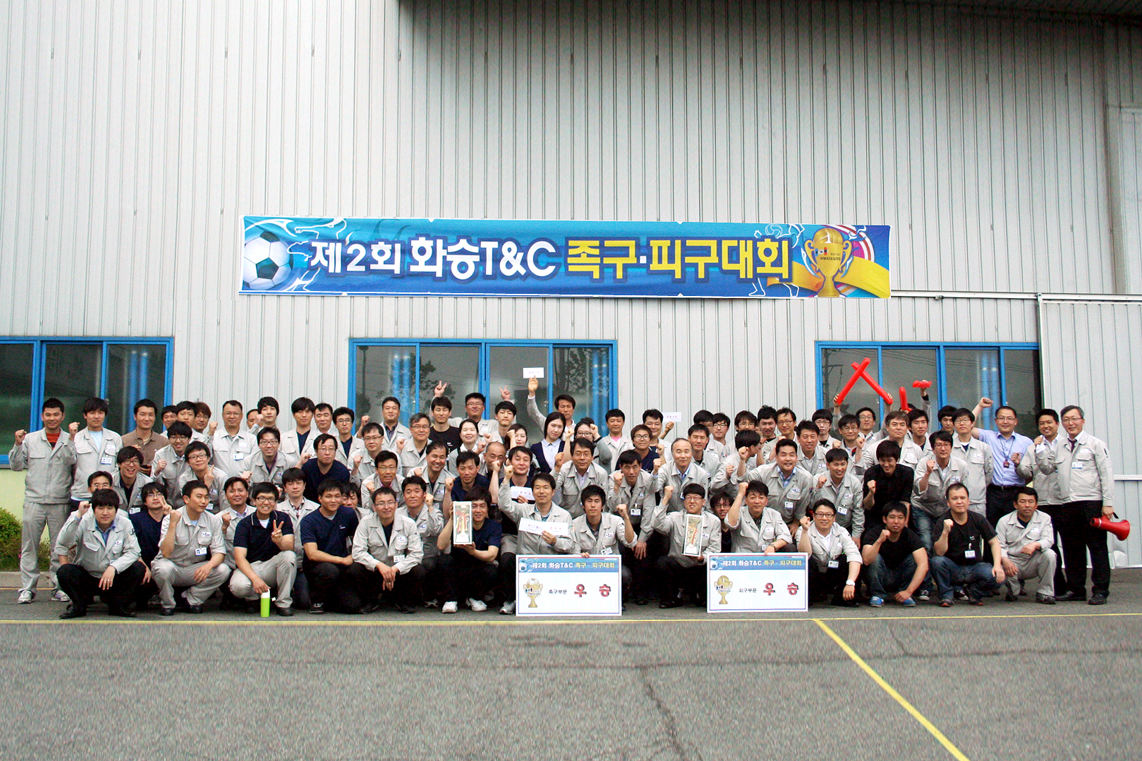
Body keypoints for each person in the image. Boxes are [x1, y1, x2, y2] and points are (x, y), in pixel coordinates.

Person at [1038, 405, 1115, 604]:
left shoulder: (1095, 444)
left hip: (1091, 502)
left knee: (1097, 548)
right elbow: (1046, 468)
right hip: (1067, 504)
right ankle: (1076, 589)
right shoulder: (1060, 446)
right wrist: (1039, 449)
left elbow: (1106, 474)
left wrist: (1108, 503)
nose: (1070, 423)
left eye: (1074, 419)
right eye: (1066, 420)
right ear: (1062, 423)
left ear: (1082, 421)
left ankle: (1100, 590)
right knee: (1072, 548)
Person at [10, 397, 76, 604]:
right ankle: (27, 588)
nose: (52, 418)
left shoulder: (70, 439)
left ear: (62, 416)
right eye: (48, 415)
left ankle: (59, 587)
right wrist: (17, 444)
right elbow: (16, 466)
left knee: (59, 548)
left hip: (60, 501)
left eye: (56, 414)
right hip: (34, 501)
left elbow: (73, 462)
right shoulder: (30, 439)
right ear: (42, 416)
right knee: (29, 547)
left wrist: (71, 439)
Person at [53, 489, 144, 618]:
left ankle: (118, 606)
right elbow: (64, 542)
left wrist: (113, 568)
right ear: (93, 509)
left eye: (110, 508)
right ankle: (78, 607)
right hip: (89, 577)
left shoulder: (125, 523)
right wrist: (78, 515)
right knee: (64, 571)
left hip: (113, 578)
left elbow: (134, 552)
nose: (105, 513)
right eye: (100, 508)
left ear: (116, 510)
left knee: (138, 568)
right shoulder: (82, 520)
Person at [496, 471, 575, 614]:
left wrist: (555, 541)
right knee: (507, 559)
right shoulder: (523, 510)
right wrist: (506, 479)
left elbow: (570, 545)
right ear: (532, 492)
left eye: (545, 488)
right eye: (537, 488)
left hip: (550, 565)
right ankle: (511, 600)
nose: (541, 491)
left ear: (553, 492)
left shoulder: (564, 515)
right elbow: (504, 504)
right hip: (526, 564)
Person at [151, 481, 231, 615]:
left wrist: (208, 566)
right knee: (163, 569)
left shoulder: (213, 520)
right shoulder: (172, 518)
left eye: (206, 497)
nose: (203, 501)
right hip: (172, 565)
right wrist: (173, 524)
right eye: (199, 497)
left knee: (223, 570)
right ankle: (168, 604)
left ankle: (190, 600)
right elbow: (166, 553)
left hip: (193, 568)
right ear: (186, 499)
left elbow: (219, 552)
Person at [352, 486, 425, 613]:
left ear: (396, 505)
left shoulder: (408, 523)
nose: (386, 507)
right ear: (374, 507)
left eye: (390, 502)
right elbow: (358, 552)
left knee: (418, 570)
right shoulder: (365, 523)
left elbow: (416, 554)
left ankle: (403, 601)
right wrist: (379, 565)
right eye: (381, 503)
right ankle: (371, 600)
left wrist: (395, 569)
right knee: (355, 569)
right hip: (375, 571)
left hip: (399, 572)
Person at [1016, 409, 1066, 593]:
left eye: (1049, 422)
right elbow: (1025, 472)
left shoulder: (1065, 444)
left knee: (1070, 544)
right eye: (1042, 423)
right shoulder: (1033, 446)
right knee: (1049, 545)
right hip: (1043, 502)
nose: (1046, 426)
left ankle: (1075, 586)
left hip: (1064, 501)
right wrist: (1017, 464)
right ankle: (1057, 585)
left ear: (1057, 424)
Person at [931, 483, 1004, 607]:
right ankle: (946, 595)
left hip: (974, 567)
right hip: (953, 567)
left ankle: (974, 592)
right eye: (955, 499)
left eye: (963, 498)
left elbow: (994, 542)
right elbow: (939, 552)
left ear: (968, 501)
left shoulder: (978, 519)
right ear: (948, 503)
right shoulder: (942, 521)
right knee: (936, 562)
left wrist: (997, 565)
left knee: (997, 577)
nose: (959, 502)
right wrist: (945, 532)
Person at [229, 482, 297, 616]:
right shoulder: (244, 524)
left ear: (276, 502)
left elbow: (290, 546)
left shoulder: (282, 518)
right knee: (238, 586)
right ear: (253, 501)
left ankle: (283, 603)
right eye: (261, 498)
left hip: (273, 567)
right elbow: (239, 557)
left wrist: (280, 541)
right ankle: (253, 599)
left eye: (270, 499)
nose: (266, 503)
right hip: (252, 567)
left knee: (289, 556)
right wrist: (255, 579)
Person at [648, 483, 721, 608]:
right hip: (679, 565)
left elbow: (715, 549)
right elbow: (657, 524)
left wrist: (702, 557)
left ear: (703, 502)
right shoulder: (674, 517)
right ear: (683, 501)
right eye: (688, 498)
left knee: (711, 564)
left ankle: (701, 596)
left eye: (696, 498)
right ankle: (671, 598)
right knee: (662, 562)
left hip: (699, 567)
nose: (692, 501)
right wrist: (665, 499)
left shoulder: (714, 521)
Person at [299, 479, 361, 614]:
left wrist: (352, 556)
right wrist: (342, 560)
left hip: (341, 567)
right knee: (329, 570)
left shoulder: (348, 514)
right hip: (317, 567)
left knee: (353, 606)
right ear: (320, 498)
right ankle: (317, 600)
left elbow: (358, 540)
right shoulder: (309, 521)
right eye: (328, 496)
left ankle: (332, 598)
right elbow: (312, 554)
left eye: (337, 496)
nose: (333, 500)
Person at [437, 486, 501, 614]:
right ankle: (451, 600)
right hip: (457, 569)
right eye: (474, 506)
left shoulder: (493, 526)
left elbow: (492, 555)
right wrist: (452, 518)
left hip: (477, 570)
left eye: (482, 506)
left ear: (488, 508)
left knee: (492, 569)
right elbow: (441, 545)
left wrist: (473, 552)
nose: (478, 510)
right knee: (444, 560)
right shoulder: (460, 521)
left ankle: (475, 598)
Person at [970, 398, 1033, 526]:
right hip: (994, 492)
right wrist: (980, 406)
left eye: (1009, 418)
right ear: (996, 421)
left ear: (1015, 421)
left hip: (1016, 492)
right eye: (1001, 418)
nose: (1005, 422)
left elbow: (1031, 471)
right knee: (992, 528)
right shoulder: (988, 437)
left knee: (1015, 528)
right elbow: (968, 427)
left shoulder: (1026, 442)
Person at [995, 487, 1057, 604]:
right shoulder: (1004, 521)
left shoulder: (1045, 518)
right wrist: (1005, 560)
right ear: (1015, 504)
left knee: (1050, 554)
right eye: (1023, 502)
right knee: (1000, 562)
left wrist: (1035, 544)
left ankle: (1045, 593)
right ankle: (1013, 591)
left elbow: (1048, 540)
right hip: (1013, 561)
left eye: (1031, 502)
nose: (1027, 505)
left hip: (1033, 561)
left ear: (1036, 505)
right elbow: (999, 545)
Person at [571, 485, 636, 596]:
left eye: (597, 501)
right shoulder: (575, 524)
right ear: (583, 505)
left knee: (624, 575)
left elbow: (630, 542)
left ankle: (619, 601)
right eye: (589, 501)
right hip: (586, 566)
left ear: (602, 505)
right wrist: (580, 555)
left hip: (609, 566)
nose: (593, 505)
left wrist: (626, 517)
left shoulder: (615, 520)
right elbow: (573, 551)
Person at [861, 502, 928, 608]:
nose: (896, 521)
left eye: (900, 518)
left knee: (915, 559)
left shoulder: (910, 535)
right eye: (892, 517)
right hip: (880, 575)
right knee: (875, 558)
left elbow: (924, 565)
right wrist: (879, 541)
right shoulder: (873, 533)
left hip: (900, 576)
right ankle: (877, 595)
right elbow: (866, 560)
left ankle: (904, 594)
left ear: (905, 520)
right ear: (884, 519)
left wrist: (909, 591)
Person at [796, 499, 861, 607]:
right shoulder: (803, 529)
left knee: (847, 560)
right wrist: (805, 531)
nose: (824, 518)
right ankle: (810, 596)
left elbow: (854, 555)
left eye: (828, 515)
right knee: (807, 561)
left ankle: (842, 597)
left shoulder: (841, 531)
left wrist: (850, 582)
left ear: (834, 517)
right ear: (813, 516)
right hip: (814, 574)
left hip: (832, 572)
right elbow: (804, 554)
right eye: (820, 514)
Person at [68, 397, 123, 509]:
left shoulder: (115, 438)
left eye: (100, 413)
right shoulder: (76, 437)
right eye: (92, 413)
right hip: (82, 495)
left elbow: (119, 466)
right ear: (85, 415)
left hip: (107, 496)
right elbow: (68, 462)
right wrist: (71, 438)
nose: (96, 416)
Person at [129, 483, 170, 610]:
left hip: (168, 564)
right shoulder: (135, 519)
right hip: (144, 564)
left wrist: (171, 517)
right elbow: (130, 546)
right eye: (150, 495)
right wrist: (144, 566)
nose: (155, 498)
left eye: (159, 494)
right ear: (144, 501)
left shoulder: (174, 517)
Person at [812, 448, 864, 545]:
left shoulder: (854, 483)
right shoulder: (817, 479)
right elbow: (811, 506)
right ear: (828, 465)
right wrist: (818, 488)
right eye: (836, 464)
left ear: (847, 464)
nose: (840, 468)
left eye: (843, 464)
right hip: (821, 528)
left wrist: (856, 535)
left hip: (845, 527)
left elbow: (858, 511)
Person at [722, 481, 792, 554]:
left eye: (761, 498)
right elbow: (730, 524)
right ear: (746, 500)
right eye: (752, 498)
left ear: (766, 501)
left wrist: (773, 546)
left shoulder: (774, 514)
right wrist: (740, 494)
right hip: (743, 558)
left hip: (766, 557)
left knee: (790, 547)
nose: (757, 501)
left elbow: (786, 536)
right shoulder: (738, 512)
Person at [949, 408, 994, 515]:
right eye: (958, 421)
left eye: (965, 420)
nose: (962, 423)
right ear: (953, 425)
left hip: (977, 501)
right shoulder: (949, 447)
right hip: (954, 501)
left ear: (972, 423)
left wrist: (979, 487)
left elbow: (988, 473)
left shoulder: (983, 447)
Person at [861, 441, 915, 531]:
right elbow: (867, 506)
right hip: (875, 517)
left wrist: (904, 525)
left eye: (890, 460)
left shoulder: (907, 473)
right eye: (882, 461)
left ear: (897, 459)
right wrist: (871, 493)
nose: (886, 465)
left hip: (897, 515)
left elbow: (905, 501)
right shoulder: (871, 473)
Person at [212, 400, 257, 479]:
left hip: (244, 484)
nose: (232, 416)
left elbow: (254, 465)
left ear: (241, 416)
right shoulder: (214, 437)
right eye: (228, 413)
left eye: (236, 413)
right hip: (219, 484)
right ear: (222, 415)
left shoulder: (251, 439)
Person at [121, 398, 167, 475]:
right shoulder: (124, 441)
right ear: (135, 416)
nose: (147, 419)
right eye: (143, 414)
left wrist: (155, 469)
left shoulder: (164, 442)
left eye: (150, 415)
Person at [152, 422, 194, 506]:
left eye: (182, 437)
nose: (178, 441)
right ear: (168, 438)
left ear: (189, 439)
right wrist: (157, 472)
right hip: (165, 503)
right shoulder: (161, 454)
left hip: (189, 504)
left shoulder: (194, 454)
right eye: (174, 437)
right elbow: (153, 485)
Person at [301, 433, 352, 502]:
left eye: (331, 449)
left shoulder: (342, 471)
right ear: (316, 451)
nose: (327, 453)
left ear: (335, 451)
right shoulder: (307, 467)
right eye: (323, 449)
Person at [179, 441, 227, 510]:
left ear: (208, 458)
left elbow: (225, 505)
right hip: (195, 513)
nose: (198, 459)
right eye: (193, 457)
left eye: (201, 456)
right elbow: (189, 504)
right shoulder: (184, 479)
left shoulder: (221, 477)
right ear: (188, 462)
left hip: (217, 514)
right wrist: (206, 485)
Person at [111, 446, 152, 514]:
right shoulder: (110, 481)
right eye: (127, 461)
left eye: (135, 461)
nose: (131, 465)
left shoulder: (147, 482)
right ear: (119, 464)